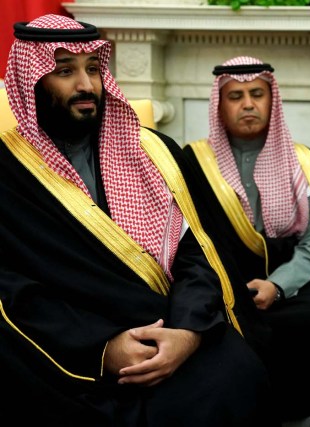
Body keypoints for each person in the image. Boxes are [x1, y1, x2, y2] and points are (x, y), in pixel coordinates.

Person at [0, 14, 276, 427]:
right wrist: (104, 349)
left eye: (93, 69)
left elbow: (197, 257)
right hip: (63, 347)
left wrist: (185, 333)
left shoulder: (154, 153)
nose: (86, 86)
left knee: (238, 375)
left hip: (168, 323)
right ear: (31, 81)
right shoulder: (7, 172)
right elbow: (11, 288)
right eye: (64, 71)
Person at [182, 55, 310, 424]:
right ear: (220, 103)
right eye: (236, 96)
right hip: (219, 281)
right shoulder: (193, 163)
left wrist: (278, 286)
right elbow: (185, 239)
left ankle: (301, 418)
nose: (248, 104)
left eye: (256, 93)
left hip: (290, 278)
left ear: (271, 100)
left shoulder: (304, 164)